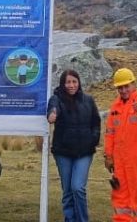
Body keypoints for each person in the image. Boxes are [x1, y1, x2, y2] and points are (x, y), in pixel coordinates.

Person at [47, 70, 101, 222]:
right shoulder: (57, 99)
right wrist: (52, 114)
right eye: (68, 82)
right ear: (63, 84)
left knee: (77, 187)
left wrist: (93, 139)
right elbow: (52, 108)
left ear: (79, 83)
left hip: (84, 152)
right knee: (68, 191)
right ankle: (70, 219)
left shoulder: (88, 100)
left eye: (74, 81)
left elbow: (96, 122)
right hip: (63, 153)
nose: (71, 85)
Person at [104, 68, 137, 222]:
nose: (123, 90)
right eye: (120, 87)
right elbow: (109, 133)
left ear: (133, 84)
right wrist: (108, 156)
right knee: (120, 198)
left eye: (126, 86)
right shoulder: (114, 108)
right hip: (119, 162)